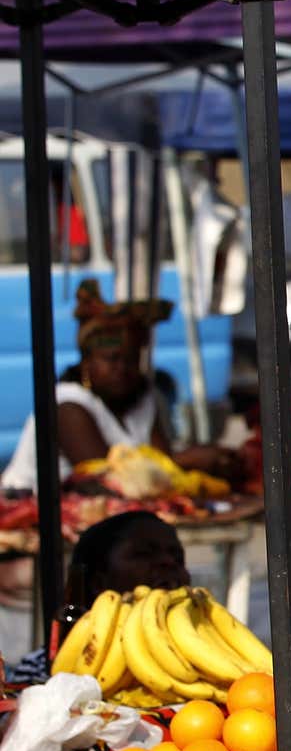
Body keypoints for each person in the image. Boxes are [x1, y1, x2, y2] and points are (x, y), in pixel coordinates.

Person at [1, 280, 236, 491]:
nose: (121, 369)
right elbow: (106, 476)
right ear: (86, 363)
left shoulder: (144, 398)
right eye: (111, 359)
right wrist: (187, 460)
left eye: (131, 359)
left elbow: (161, 462)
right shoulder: (67, 406)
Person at [6, 511, 187, 683]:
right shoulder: (44, 669)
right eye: (144, 554)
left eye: (177, 557)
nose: (168, 562)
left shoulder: (200, 662)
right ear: (98, 582)